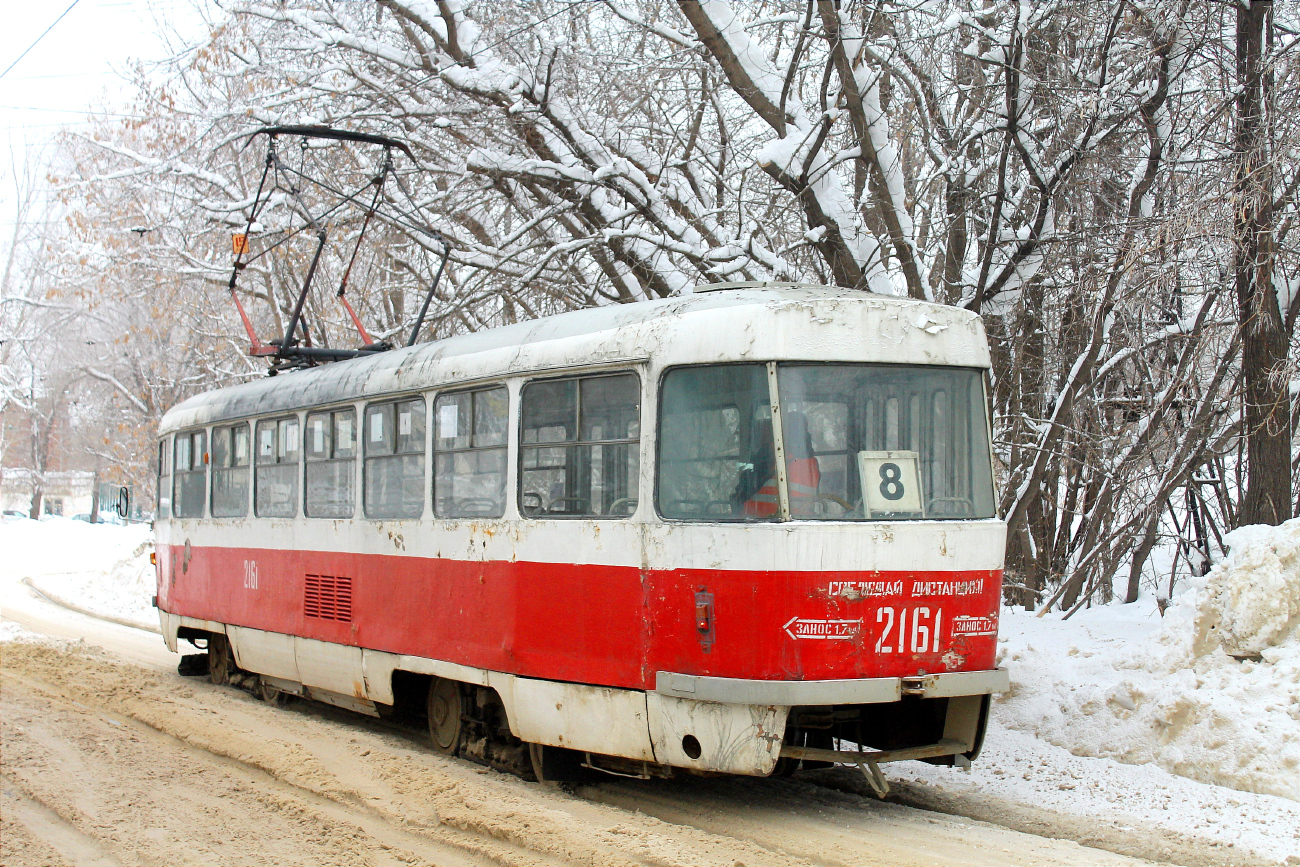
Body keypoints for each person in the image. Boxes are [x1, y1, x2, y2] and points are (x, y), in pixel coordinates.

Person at [735, 412, 821, 517]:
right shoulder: (813, 463)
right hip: (802, 518)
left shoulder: (772, 453)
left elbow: (746, 486)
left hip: (759, 518)